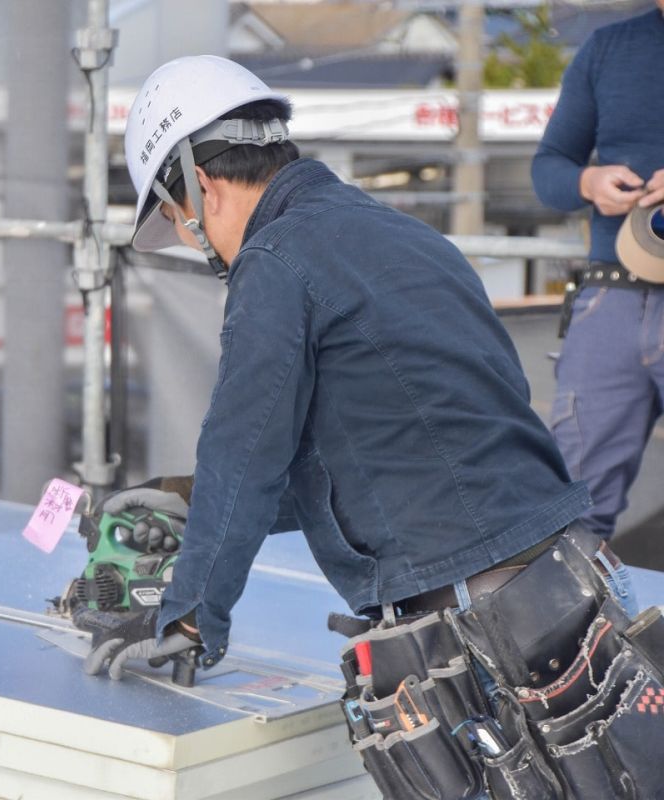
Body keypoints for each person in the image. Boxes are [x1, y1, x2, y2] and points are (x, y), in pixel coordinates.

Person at [79, 55, 662, 799]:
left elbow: (245, 451)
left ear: (201, 187)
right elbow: (396, 449)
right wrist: (187, 500)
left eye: (180, 222)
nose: (197, 241)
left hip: (480, 617)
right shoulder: (405, 238)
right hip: (570, 583)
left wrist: (190, 618)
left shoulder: (276, 260)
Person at [530, 1, 664, 543]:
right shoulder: (608, 49)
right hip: (614, 296)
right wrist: (590, 183)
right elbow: (549, 167)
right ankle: (584, 629)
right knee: (573, 515)